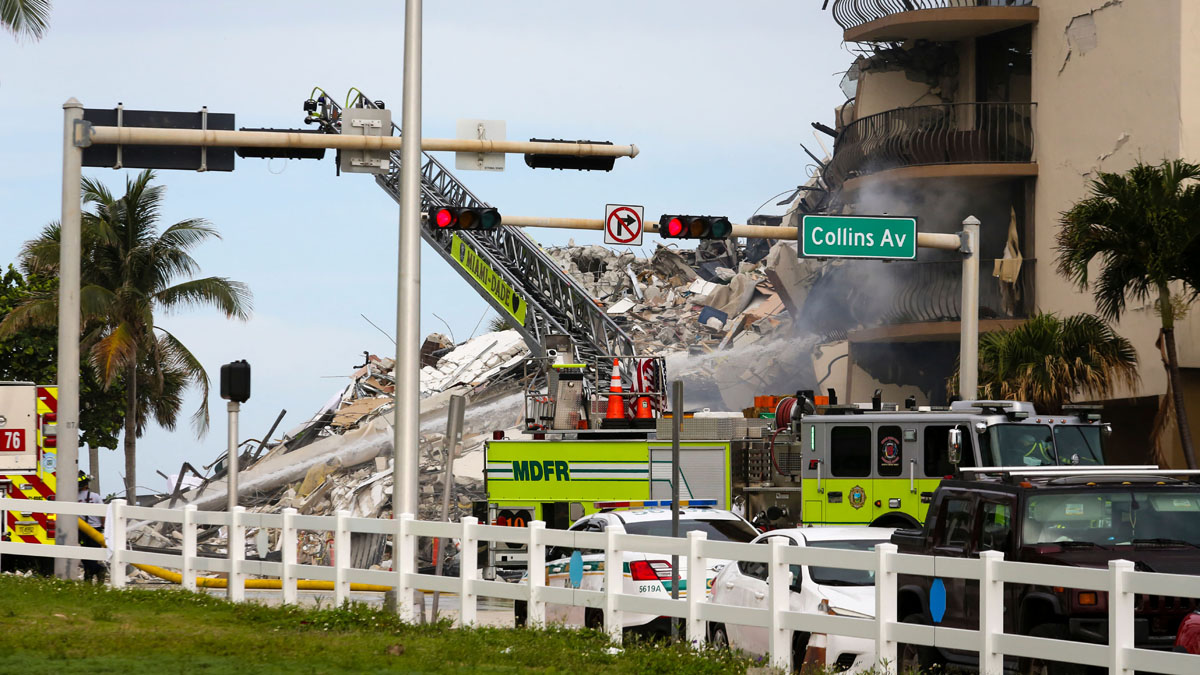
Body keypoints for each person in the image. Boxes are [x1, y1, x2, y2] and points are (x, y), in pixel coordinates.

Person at [77, 471, 106, 583]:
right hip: (96, 529)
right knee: (93, 555)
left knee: (85, 556)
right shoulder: (96, 496)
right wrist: (103, 526)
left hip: (82, 530)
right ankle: (96, 571)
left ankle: (90, 575)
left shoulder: (74, 497)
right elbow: (103, 514)